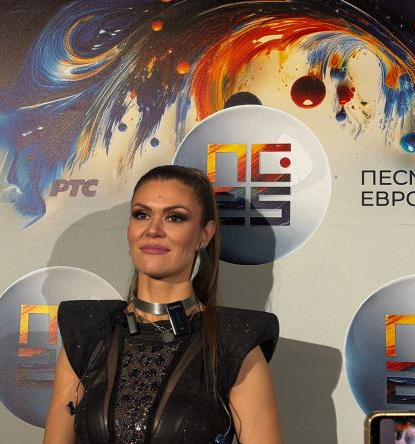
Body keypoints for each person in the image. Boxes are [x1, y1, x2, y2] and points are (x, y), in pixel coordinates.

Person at [43, 165, 281, 443]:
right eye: (141, 215)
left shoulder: (233, 342)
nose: (153, 230)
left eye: (175, 217)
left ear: (204, 234)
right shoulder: (88, 330)